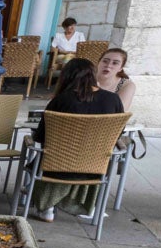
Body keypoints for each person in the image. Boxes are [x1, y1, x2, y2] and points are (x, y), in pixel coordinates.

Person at [28, 57, 124, 222]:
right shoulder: (113, 100)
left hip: (55, 166)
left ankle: (46, 206)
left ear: (66, 77)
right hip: (95, 167)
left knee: (40, 154)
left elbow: (41, 136)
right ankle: (86, 206)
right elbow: (117, 133)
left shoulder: (60, 100)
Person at [96, 47, 135, 111]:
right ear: (98, 62)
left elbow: (120, 112)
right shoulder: (85, 77)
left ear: (121, 68)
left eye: (115, 63)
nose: (108, 65)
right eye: (105, 61)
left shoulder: (126, 85)